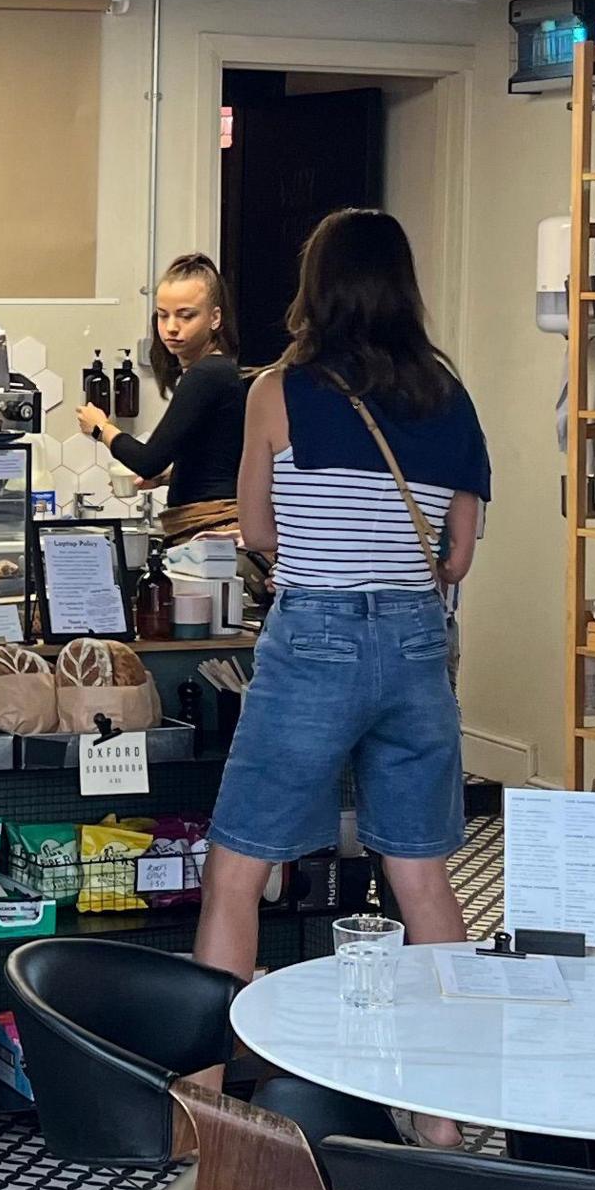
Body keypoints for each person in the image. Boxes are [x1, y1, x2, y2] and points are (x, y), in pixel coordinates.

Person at [200, 211, 485, 1133]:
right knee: (423, 878)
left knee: (237, 870)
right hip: (414, 647)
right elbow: (458, 555)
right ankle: (442, 1114)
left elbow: (255, 533)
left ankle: (209, 1106)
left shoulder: (279, 393)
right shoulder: (450, 396)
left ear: (315, 287)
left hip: (314, 636)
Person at [77, 252, 244, 540]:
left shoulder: (206, 374)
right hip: (213, 523)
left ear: (215, 318)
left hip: (209, 528)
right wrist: (170, 477)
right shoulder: (220, 372)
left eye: (186, 315)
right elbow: (219, 456)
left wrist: (100, 428)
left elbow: (148, 459)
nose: (171, 327)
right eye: (163, 315)